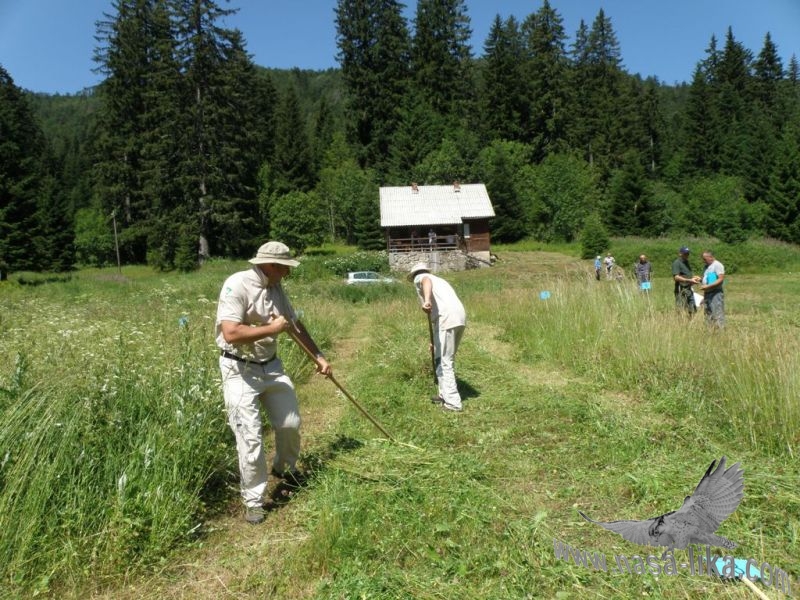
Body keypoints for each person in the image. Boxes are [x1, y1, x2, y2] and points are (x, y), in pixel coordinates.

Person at [215, 241, 332, 524]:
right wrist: (272, 328)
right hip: (239, 369)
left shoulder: (276, 287)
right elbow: (231, 333)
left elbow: (294, 324)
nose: (288, 273)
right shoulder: (236, 285)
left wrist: (318, 356)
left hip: (272, 366)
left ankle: (284, 468)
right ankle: (254, 500)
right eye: (285, 268)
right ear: (269, 265)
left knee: (290, 423)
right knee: (250, 437)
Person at [408, 262, 466, 412]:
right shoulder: (440, 281)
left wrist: (426, 300)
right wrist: (434, 340)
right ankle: (443, 395)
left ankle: (453, 404)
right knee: (443, 357)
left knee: (444, 361)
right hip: (458, 317)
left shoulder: (421, 277)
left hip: (446, 318)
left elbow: (425, 281)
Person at [672, 246, 700, 316]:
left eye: (688, 253)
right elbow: (676, 277)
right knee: (681, 309)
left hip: (688, 288)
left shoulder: (686, 262)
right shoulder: (677, 263)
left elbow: (686, 275)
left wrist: (695, 277)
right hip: (681, 289)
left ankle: (691, 321)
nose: (687, 255)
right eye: (685, 254)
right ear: (680, 254)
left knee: (693, 309)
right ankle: (681, 321)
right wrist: (689, 280)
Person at [700, 250, 725, 328]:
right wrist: (700, 279)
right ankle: (710, 330)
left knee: (717, 312)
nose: (703, 261)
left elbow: (720, 279)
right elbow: (709, 279)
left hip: (715, 293)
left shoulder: (717, 265)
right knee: (708, 312)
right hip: (707, 293)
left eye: (705, 259)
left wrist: (707, 286)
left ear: (710, 257)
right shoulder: (707, 266)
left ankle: (720, 330)